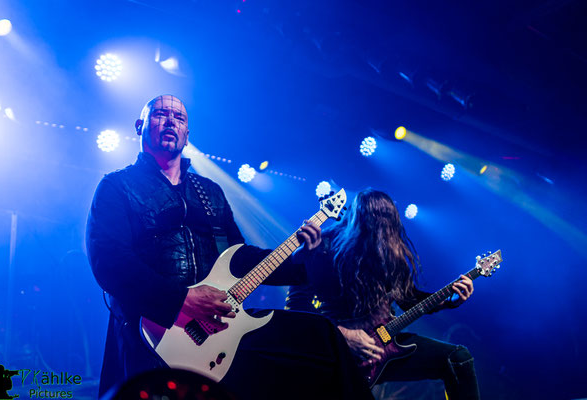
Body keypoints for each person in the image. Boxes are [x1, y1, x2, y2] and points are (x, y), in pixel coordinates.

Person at [86, 95, 373, 399]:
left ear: (187, 135)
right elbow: (109, 260)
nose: (171, 120)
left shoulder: (209, 191)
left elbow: (239, 258)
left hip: (220, 326)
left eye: (179, 118)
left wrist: (299, 260)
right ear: (140, 126)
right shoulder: (116, 186)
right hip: (150, 331)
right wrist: (181, 300)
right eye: (160, 114)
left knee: (322, 337)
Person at [286, 189, 480, 399]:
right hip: (337, 353)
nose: (379, 225)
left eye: (386, 218)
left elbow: (409, 299)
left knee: (457, 358)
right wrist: (344, 335)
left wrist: (448, 301)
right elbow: (296, 307)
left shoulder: (390, 255)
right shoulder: (325, 245)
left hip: (384, 345)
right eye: (373, 216)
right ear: (357, 217)